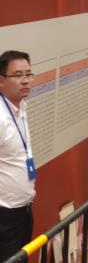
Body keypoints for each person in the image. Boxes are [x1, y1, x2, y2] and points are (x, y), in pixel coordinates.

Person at [0, 52, 35, 257]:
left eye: (28, 74)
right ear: (1, 81)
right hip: (5, 218)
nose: (25, 80)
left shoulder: (20, 107)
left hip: (24, 211)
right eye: (18, 75)